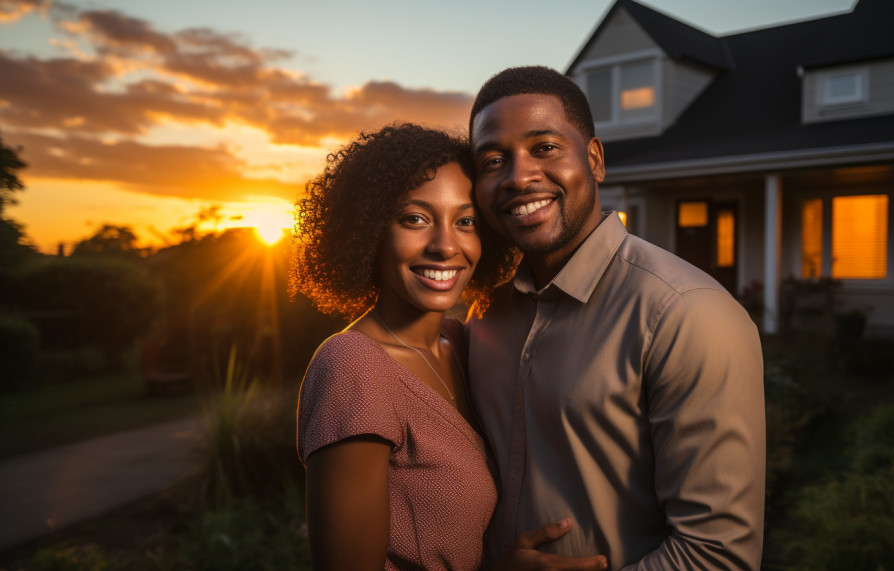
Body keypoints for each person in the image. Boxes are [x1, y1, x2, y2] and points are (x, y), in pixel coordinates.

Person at [466, 66, 766, 570]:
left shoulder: (688, 313)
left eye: (544, 147)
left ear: (595, 160)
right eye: (494, 161)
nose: (519, 176)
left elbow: (719, 556)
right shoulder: (484, 314)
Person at [292, 123, 609, 571]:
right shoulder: (353, 366)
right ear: (369, 230)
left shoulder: (463, 343)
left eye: (466, 222)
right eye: (415, 219)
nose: (445, 246)